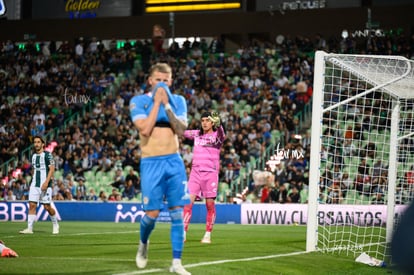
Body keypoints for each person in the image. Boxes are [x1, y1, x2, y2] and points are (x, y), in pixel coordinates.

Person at [129, 63, 191, 275]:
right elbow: (145, 130)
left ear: (171, 81)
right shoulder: (139, 101)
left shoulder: (179, 101)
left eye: (166, 80)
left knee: (176, 213)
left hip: (174, 162)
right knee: (152, 214)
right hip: (151, 163)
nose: (162, 84)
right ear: (150, 81)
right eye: (158, 80)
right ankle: (143, 243)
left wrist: (167, 106)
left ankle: (176, 262)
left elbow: (182, 130)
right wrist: (157, 102)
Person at [182, 111, 226, 244]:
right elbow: (182, 132)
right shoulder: (197, 134)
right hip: (195, 173)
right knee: (187, 204)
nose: (205, 123)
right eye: (202, 120)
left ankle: (207, 234)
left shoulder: (216, 137)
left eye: (207, 120)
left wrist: (219, 124)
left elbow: (222, 134)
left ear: (212, 122)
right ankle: (183, 233)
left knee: (209, 205)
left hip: (210, 174)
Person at [20, 135, 60, 234]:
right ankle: (29, 228)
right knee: (32, 205)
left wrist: (46, 182)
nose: (36, 144)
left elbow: (52, 169)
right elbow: (35, 170)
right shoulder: (33, 156)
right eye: (35, 142)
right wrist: (32, 183)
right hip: (35, 184)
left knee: (47, 207)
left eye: (38, 142)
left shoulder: (48, 155)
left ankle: (55, 224)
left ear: (43, 144)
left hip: (45, 184)